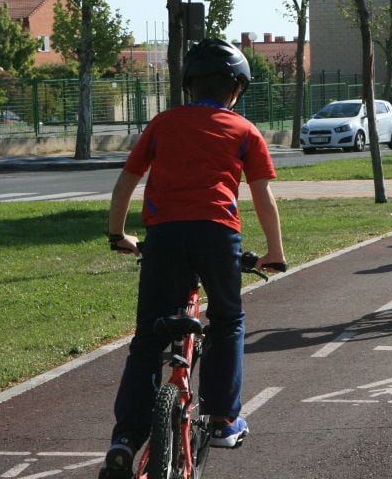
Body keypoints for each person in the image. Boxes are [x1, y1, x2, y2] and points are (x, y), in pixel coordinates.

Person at [99, 38, 287, 479]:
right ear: (237, 88)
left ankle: (125, 437)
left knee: (148, 337)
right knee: (227, 320)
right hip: (218, 237)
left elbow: (127, 181)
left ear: (189, 86)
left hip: (163, 237)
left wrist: (118, 234)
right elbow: (263, 196)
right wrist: (274, 252)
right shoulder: (244, 131)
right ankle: (222, 419)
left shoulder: (163, 124)